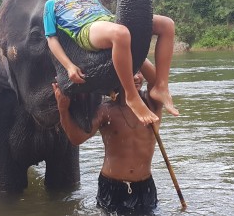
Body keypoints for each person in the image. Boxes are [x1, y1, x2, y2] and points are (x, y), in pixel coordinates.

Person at [44, 0, 179, 125]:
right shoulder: (52, 4)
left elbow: (111, 19)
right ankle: (131, 95)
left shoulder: (93, 1)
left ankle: (161, 85)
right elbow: (51, 39)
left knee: (166, 24)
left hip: (111, 22)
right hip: (86, 29)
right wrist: (69, 66)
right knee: (119, 33)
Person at [52, 59, 163, 215]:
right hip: (111, 186)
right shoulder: (106, 110)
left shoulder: (152, 102)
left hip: (144, 187)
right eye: (130, 73)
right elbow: (77, 139)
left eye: (138, 72)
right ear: (118, 76)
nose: (137, 77)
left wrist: (133, 48)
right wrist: (63, 110)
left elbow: (158, 79)